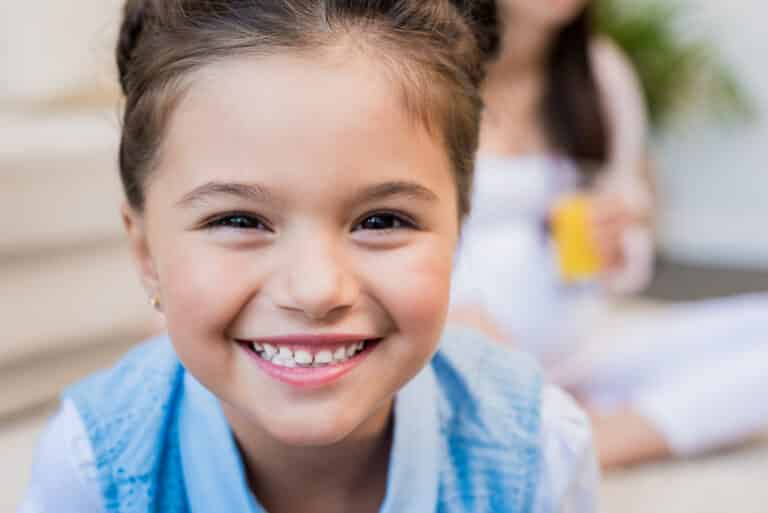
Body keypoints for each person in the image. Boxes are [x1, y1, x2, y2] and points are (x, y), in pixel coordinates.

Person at [17, 1, 599, 512]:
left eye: (382, 221)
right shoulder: (92, 470)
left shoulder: (539, 452)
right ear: (145, 250)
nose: (317, 289)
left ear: (458, 229)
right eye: (238, 220)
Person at [450, 0, 768, 469]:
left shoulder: (600, 73)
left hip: (579, 345)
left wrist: (619, 247)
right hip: (460, 350)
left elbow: (630, 249)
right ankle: (558, 427)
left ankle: (588, 437)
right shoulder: (430, 68)